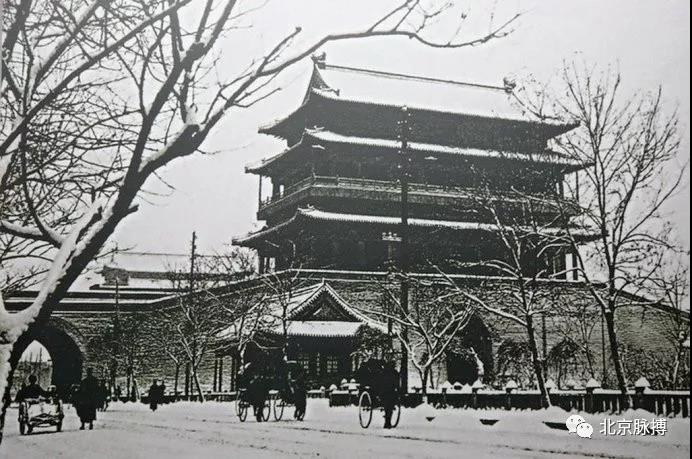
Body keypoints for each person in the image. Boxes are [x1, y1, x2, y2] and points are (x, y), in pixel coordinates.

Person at [379, 360, 400, 429]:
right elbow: (397, 384)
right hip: (392, 392)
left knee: (387, 407)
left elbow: (380, 383)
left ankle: (387, 422)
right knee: (390, 408)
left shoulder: (383, 372)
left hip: (384, 392)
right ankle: (388, 422)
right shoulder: (395, 373)